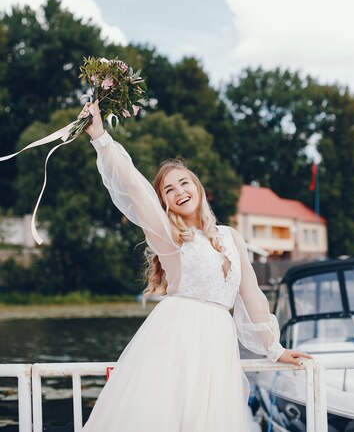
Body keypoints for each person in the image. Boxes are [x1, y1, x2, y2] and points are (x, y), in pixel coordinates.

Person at [78, 100, 312, 432]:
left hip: (217, 344)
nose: (179, 192)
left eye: (184, 183)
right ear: (163, 202)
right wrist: (101, 137)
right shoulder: (169, 237)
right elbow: (133, 186)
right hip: (177, 340)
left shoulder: (232, 236)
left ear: (197, 187)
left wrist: (274, 349)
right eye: (168, 190)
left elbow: (252, 298)